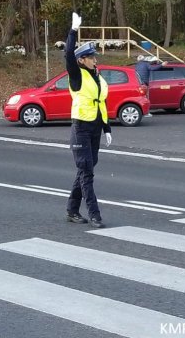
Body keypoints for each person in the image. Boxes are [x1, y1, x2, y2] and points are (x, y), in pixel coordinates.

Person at [65, 12, 112, 229]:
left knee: (86, 168)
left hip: (95, 128)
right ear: (82, 60)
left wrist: (107, 127)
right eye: (92, 57)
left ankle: (72, 210)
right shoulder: (77, 75)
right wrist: (74, 30)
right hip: (81, 127)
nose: (95, 59)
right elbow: (68, 53)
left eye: (95, 57)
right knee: (87, 172)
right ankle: (94, 214)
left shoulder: (97, 76)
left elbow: (101, 102)